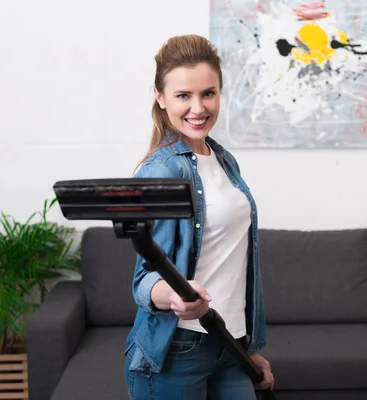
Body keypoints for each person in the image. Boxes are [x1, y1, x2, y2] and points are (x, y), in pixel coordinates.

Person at [123, 34, 274, 400]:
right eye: (182, 96)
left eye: (208, 93)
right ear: (160, 97)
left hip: (230, 344)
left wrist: (250, 346)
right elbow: (144, 280)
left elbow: (233, 265)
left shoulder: (224, 161)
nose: (198, 107)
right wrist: (175, 298)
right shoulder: (160, 172)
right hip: (178, 348)